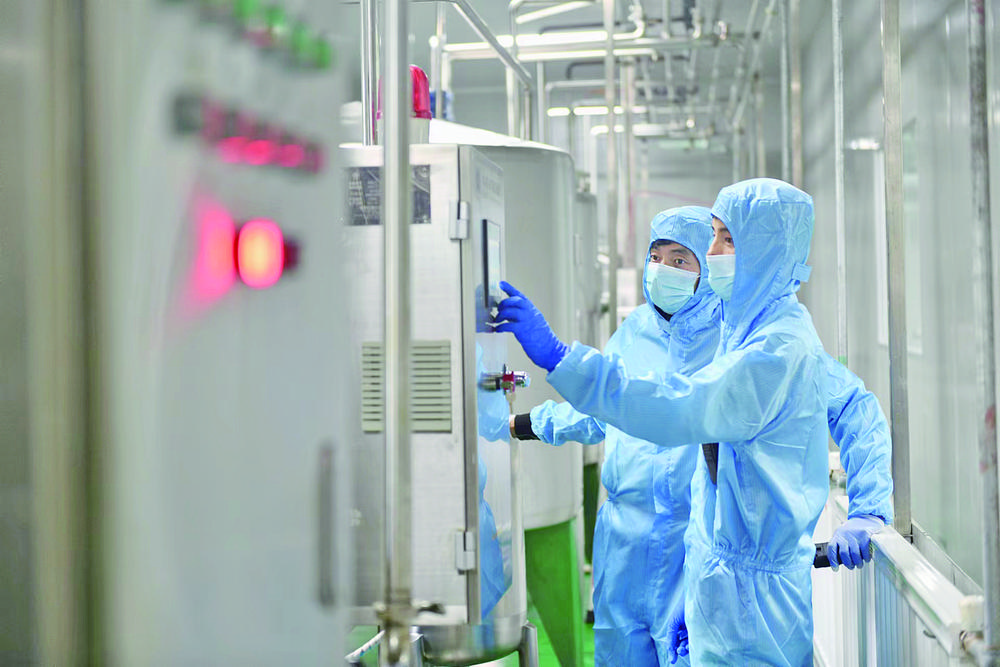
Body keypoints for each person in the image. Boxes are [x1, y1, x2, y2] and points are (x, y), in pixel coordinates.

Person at [493, 179, 885, 665]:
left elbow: (676, 407)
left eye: (687, 256)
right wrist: (527, 423)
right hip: (653, 553)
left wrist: (561, 359)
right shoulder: (666, 330)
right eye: (657, 256)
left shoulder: (765, 346)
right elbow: (610, 414)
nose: (666, 268)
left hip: (730, 578)